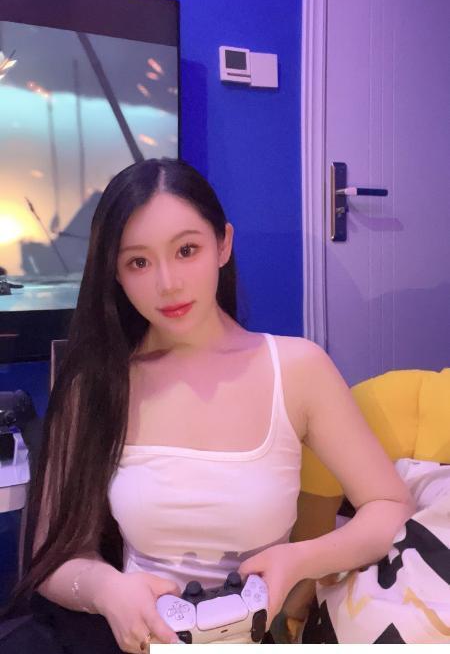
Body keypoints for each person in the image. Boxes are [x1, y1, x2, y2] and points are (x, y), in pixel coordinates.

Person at [1, 157, 414, 652]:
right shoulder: (96, 384)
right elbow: (53, 559)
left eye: (186, 250)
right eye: (138, 262)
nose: (168, 283)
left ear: (223, 244)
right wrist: (107, 590)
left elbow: (390, 508)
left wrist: (300, 560)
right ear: (115, 273)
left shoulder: (297, 369)